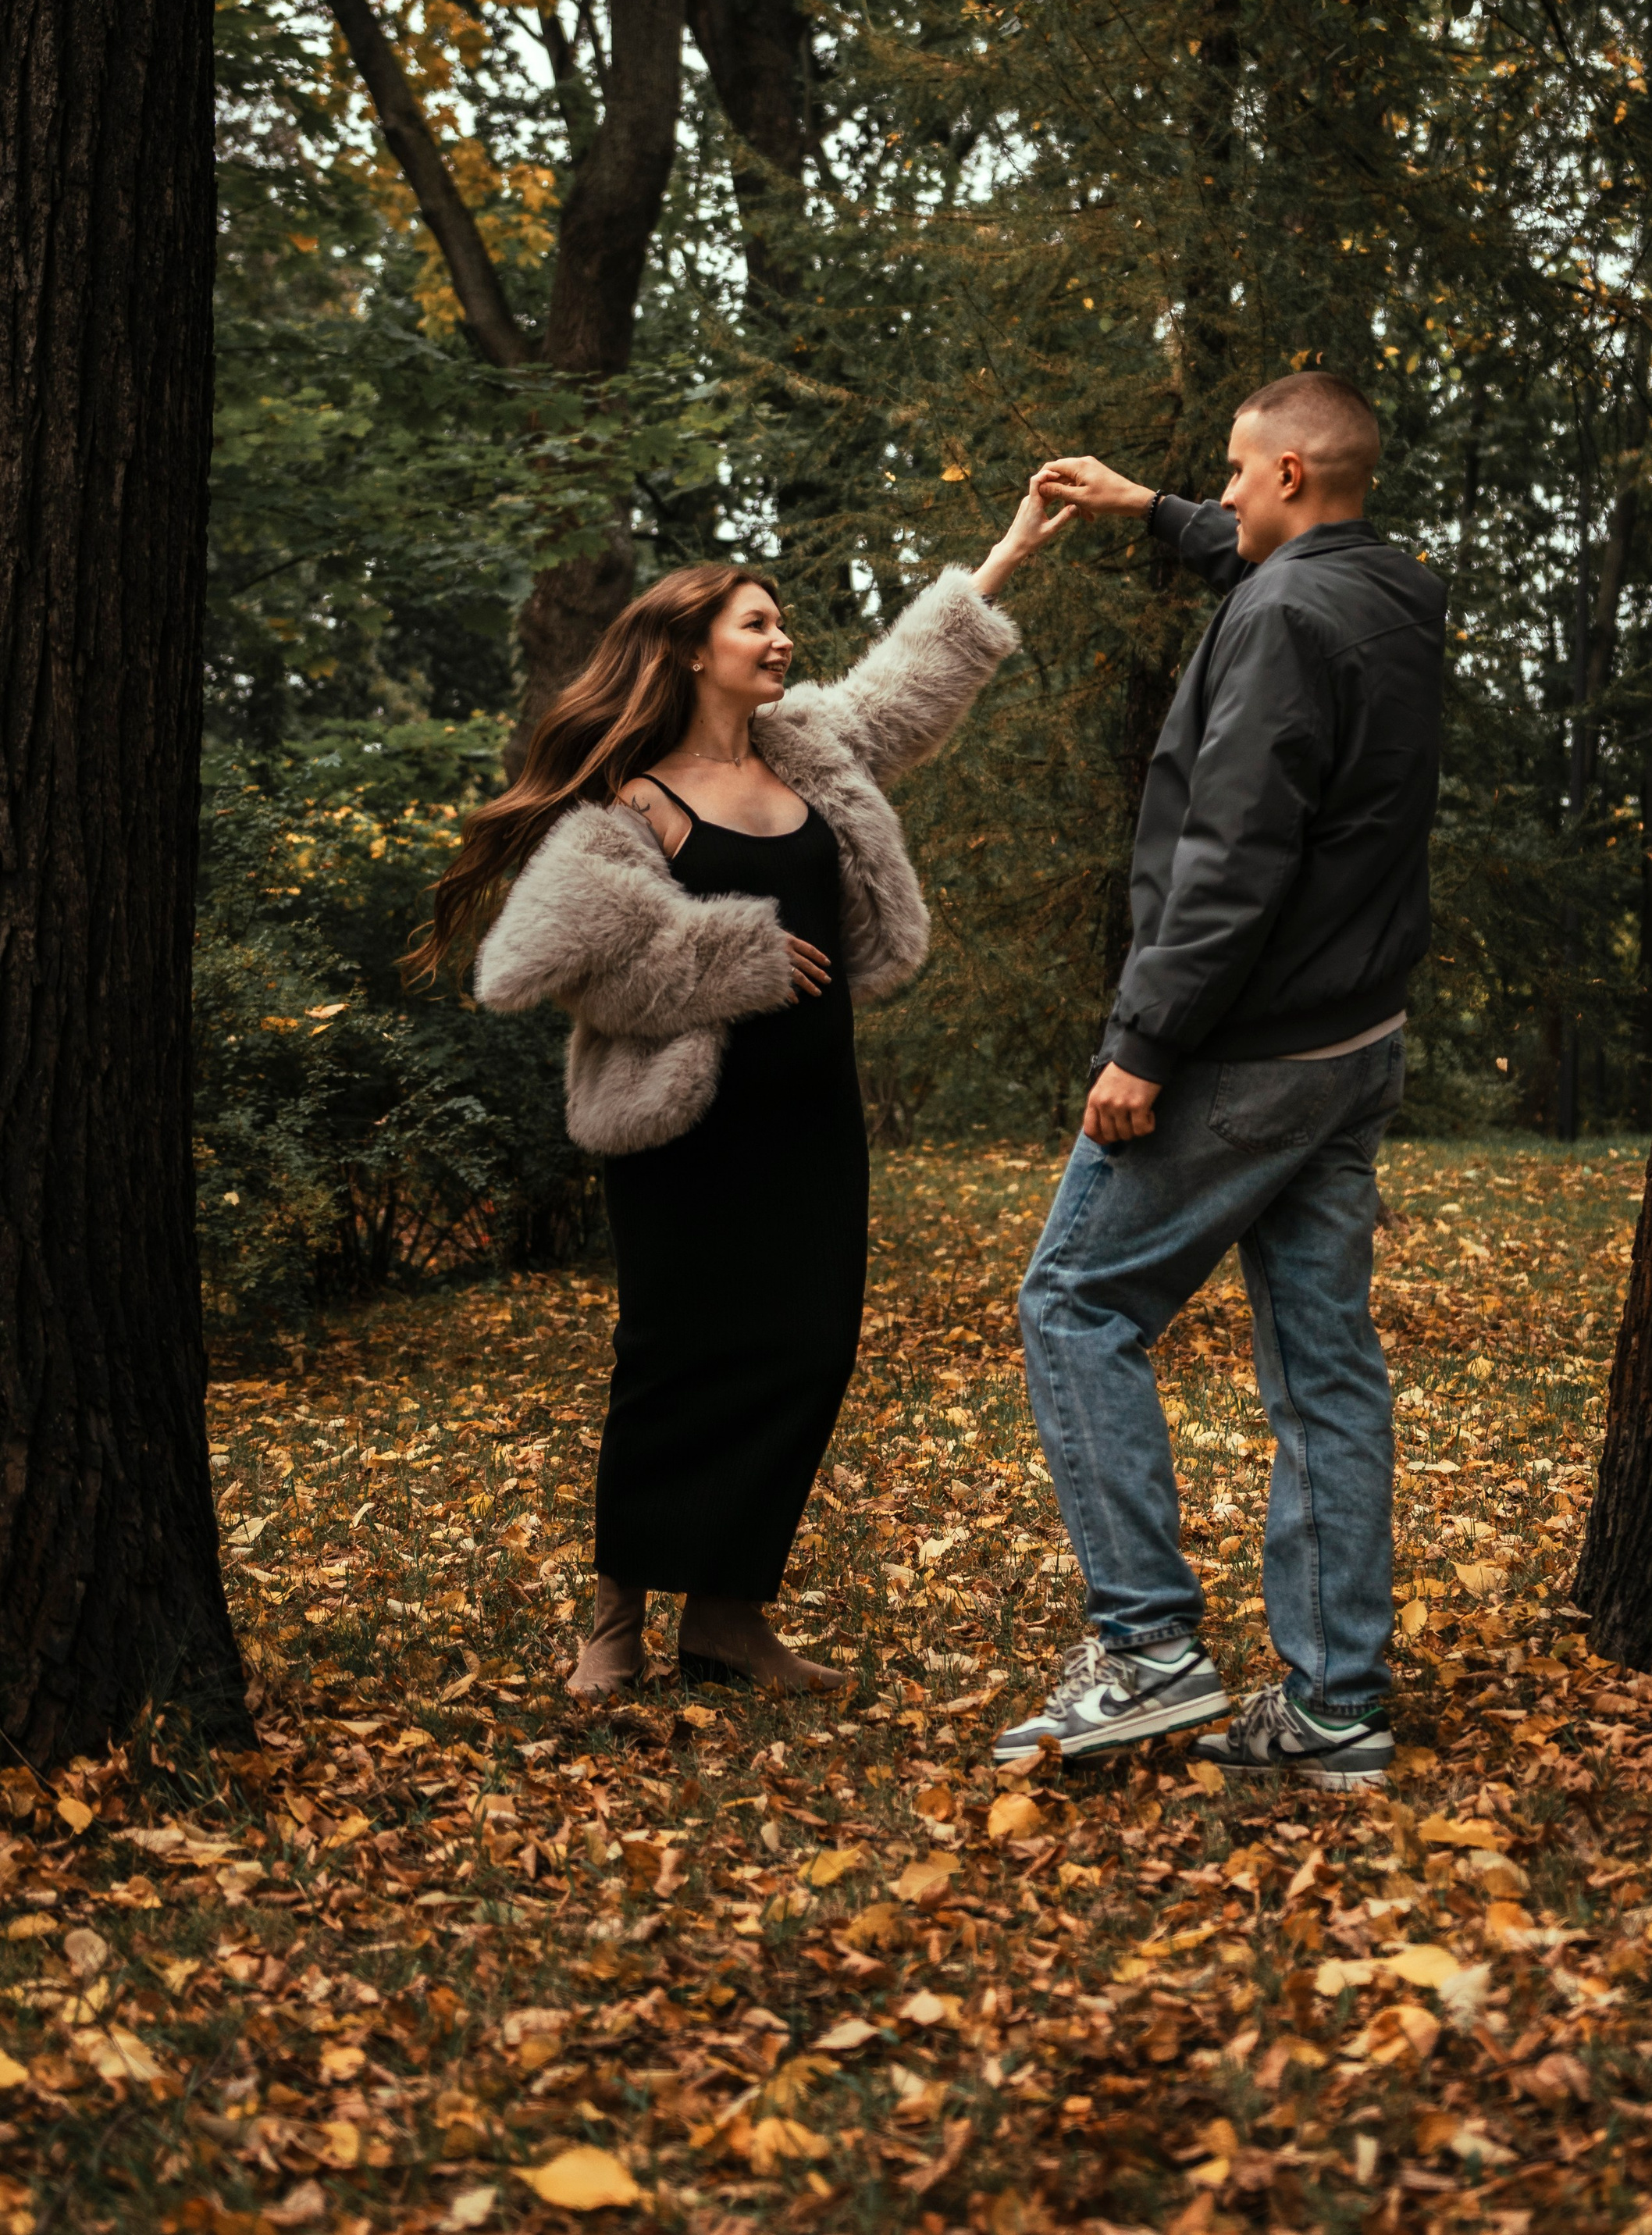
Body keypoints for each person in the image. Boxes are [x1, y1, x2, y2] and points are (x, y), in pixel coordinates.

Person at [410, 490, 1073, 1698]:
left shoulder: (808, 745)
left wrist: (1012, 548)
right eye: (756, 624)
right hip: (682, 1127)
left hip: (811, 1112)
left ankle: (725, 1619)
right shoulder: (628, 809)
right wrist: (732, 958)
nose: (781, 642)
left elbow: (911, 680)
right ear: (689, 647)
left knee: (805, 1350)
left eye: (780, 625)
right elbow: (523, 971)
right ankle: (614, 1617)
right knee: (673, 1355)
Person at [993, 372, 1444, 1786]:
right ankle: (1333, 1709)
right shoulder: (1391, 594)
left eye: (1239, 475)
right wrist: (1155, 510)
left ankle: (1148, 1650)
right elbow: (1269, 561)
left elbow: (1232, 855)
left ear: (1297, 475)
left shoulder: (1284, 618)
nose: (1227, 492)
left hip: (1243, 1052)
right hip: (1352, 1045)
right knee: (1324, 1371)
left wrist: (1143, 1042)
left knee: (1071, 1301)